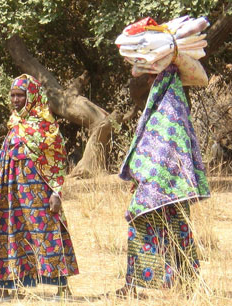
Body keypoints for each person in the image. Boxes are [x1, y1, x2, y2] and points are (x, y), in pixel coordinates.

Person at [115, 65, 209, 297]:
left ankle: (185, 286)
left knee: (173, 232)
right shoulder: (166, 105)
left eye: (152, 77)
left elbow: (166, 149)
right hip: (162, 185)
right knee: (163, 231)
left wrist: (148, 175)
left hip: (166, 187)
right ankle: (135, 285)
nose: (149, 82)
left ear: (163, 78)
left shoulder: (171, 108)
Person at [0, 74, 79, 302]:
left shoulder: (46, 127)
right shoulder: (14, 123)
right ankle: (4, 289)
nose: (16, 100)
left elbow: (58, 160)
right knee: (9, 234)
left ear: (33, 97)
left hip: (38, 192)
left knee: (46, 235)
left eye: (20, 95)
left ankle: (61, 289)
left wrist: (57, 191)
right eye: (13, 96)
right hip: (10, 192)